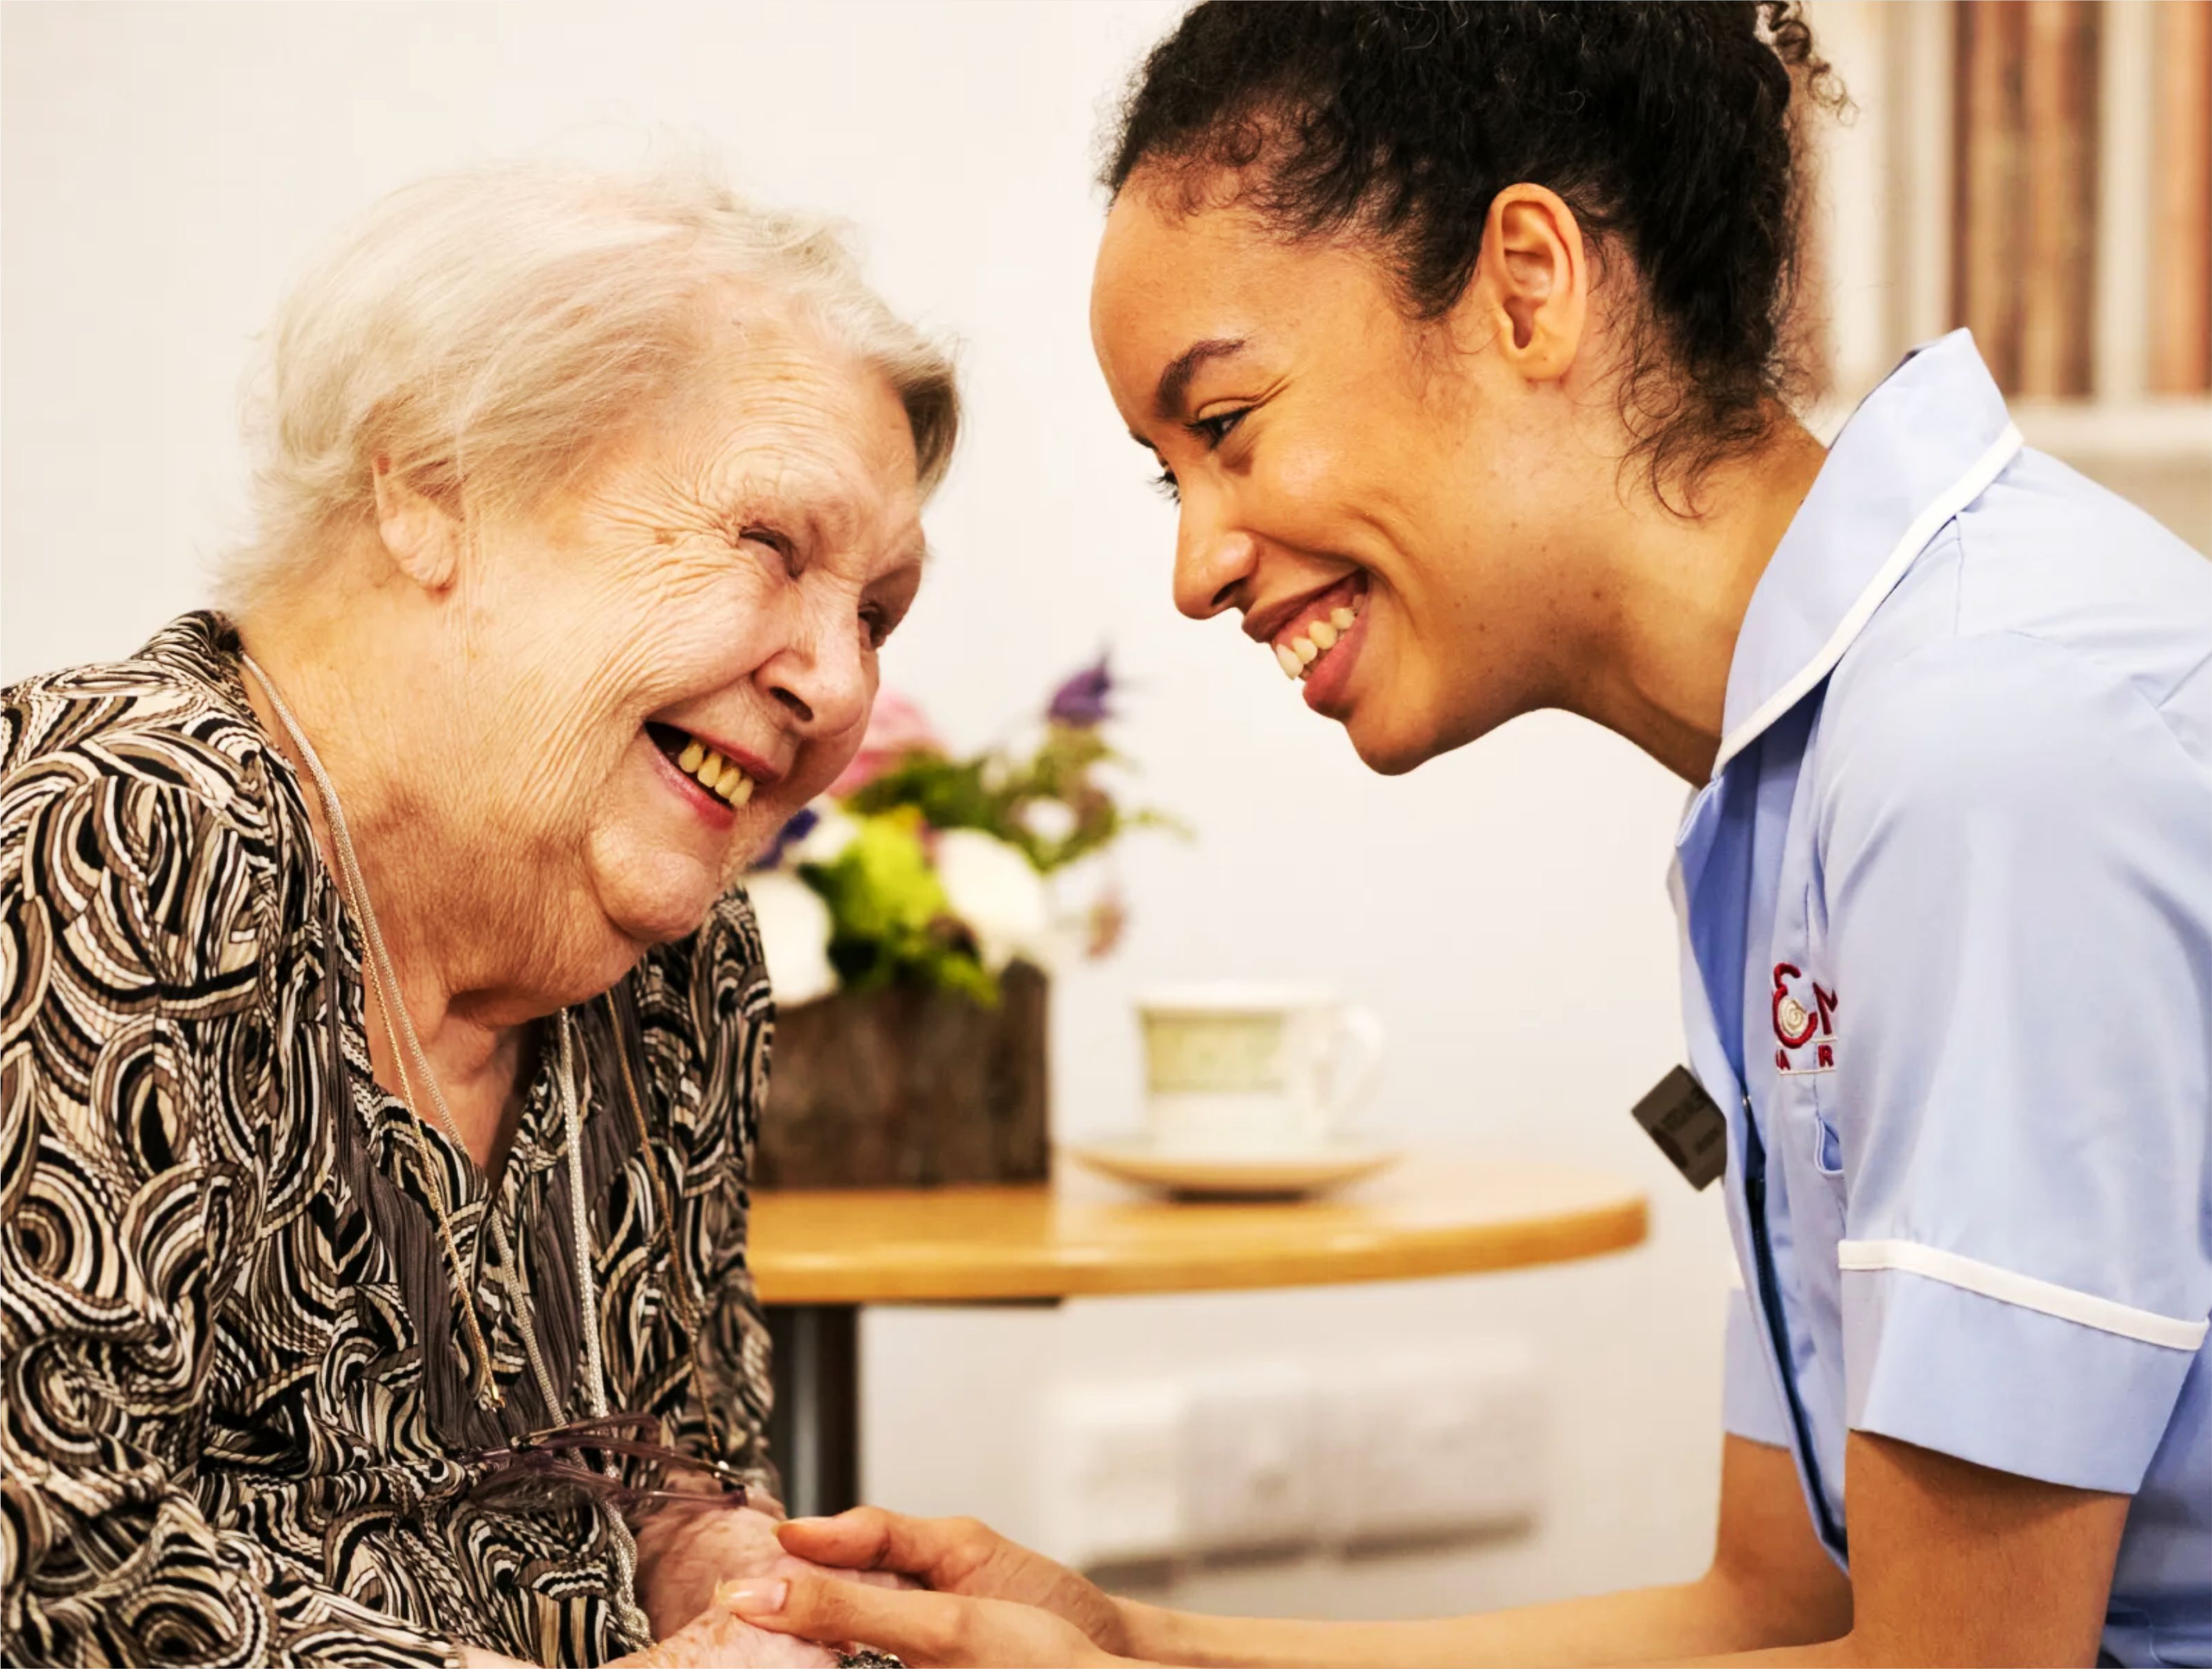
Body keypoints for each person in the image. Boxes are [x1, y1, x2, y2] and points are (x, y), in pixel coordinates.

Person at [717, 4, 2212, 1665]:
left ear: (1526, 286)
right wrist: (1134, 1642)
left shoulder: (1986, 746)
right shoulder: (1790, 785)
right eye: (1169, 477)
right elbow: (1775, 1610)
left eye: (1227, 425)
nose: (1196, 569)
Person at [0, 160, 954, 1669]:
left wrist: (725, 1571)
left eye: (876, 615)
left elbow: (675, 1452)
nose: (836, 685)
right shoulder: (116, 821)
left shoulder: (679, 957)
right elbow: (49, 1559)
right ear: (435, 488)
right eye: (771, 545)